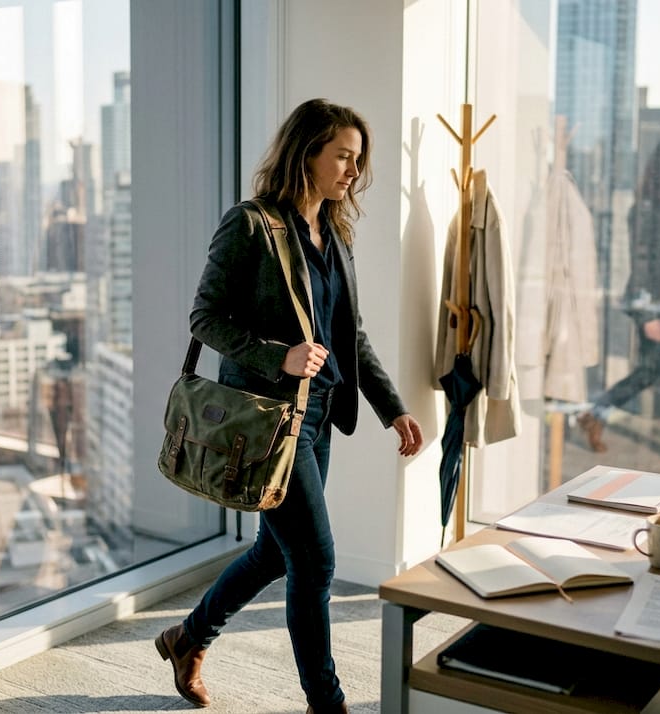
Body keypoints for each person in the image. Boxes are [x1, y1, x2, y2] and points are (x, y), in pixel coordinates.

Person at [155, 98, 424, 713]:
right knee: (314, 560)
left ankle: (187, 638)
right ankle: (326, 703)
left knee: (276, 551)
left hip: (320, 414)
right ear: (307, 153)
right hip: (268, 422)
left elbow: (349, 336)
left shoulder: (336, 233)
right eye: (343, 157)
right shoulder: (250, 225)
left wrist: (392, 408)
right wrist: (278, 356)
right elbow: (204, 318)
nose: (353, 171)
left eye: (358, 160)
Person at [577, 135, 660, 457]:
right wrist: (646, 315)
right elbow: (639, 263)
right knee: (650, 372)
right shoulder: (644, 209)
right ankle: (597, 413)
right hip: (655, 306)